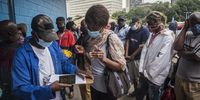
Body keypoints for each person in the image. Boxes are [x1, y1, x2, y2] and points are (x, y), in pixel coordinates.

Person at [12, 14, 79, 100]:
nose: (49, 41)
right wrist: (49, 89)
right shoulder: (21, 55)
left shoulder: (53, 45)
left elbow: (63, 62)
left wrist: (75, 70)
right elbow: (20, 88)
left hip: (59, 96)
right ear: (34, 34)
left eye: (51, 38)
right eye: (46, 38)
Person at [84, 5, 126, 100]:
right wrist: (85, 53)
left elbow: (121, 66)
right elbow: (92, 60)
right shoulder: (91, 38)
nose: (90, 29)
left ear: (103, 25)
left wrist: (103, 59)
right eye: (88, 26)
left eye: (94, 27)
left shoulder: (111, 38)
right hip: (94, 85)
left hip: (108, 89)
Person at [136, 11, 175, 100]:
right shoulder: (152, 34)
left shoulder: (167, 37)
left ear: (162, 22)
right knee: (141, 95)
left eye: (155, 22)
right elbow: (144, 53)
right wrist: (142, 70)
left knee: (153, 97)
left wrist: (147, 73)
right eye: (149, 22)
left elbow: (161, 61)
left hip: (155, 78)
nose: (152, 24)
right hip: (145, 74)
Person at [174, 12, 200, 100]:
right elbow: (177, 47)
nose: (196, 26)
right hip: (180, 78)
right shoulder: (188, 34)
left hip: (196, 84)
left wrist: (181, 53)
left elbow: (196, 56)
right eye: (193, 23)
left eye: (199, 23)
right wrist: (184, 28)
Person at [125, 17, 150, 93]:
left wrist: (133, 55)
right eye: (132, 23)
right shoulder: (131, 30)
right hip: (130, 58)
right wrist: (126, 54)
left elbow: (142, 46)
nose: (133, 25)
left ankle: (140, 93)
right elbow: (128, 41)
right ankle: (135, 91)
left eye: (134, 23)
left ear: (139, 23)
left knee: (139, 77)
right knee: (132, 77)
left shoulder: (145, 31)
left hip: (138, 58)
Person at [0, 20, 20, 100]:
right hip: (5, 89)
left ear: (9, 34)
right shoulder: (2, 47)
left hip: (17, 90)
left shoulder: (21, 50)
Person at [75, 19, 92, 100]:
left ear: (87, 26)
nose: (81, 27)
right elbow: (76, 45)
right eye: (81, 25)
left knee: (87, 89)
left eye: (82, 25)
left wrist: (83, 51)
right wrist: (75, 47)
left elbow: (90, 54)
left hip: (87, 67)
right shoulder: (82, 36)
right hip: (80, 65)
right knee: (81, 86)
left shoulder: (90, 37)